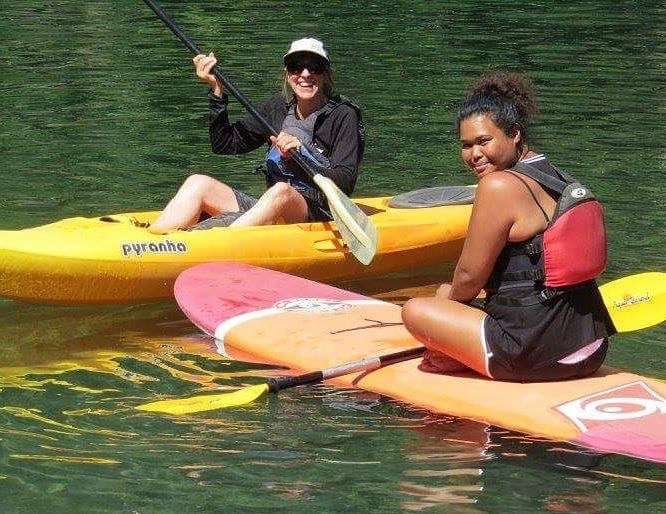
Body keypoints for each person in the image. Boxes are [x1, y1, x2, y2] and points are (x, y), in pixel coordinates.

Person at [401, 72, 615, 382]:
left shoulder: (498, 185)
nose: (474, 154)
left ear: (514, 133)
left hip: (531, 355)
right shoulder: (559, 178)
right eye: (466, 145)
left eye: (483, 141)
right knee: (444, 294)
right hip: (591, 348)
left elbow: (468, 278)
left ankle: (460, 358)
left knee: (417, 310)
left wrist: (441, 330)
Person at [149, 37, 364, 233]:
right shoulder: (277, 109)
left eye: (314, 67)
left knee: (282, 191)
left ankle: (221, 244)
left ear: (325, 73)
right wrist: (217, 91)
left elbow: (345, 182)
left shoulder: (343, 116)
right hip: (270, 206)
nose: (305, 74)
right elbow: (225, 144)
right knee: (198, 182)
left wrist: (301, 154)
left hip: (315, 214)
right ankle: (153, 241)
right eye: (296, 67)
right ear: (288, 74)